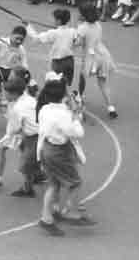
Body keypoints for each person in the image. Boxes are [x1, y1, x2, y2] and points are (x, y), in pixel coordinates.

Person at [36, 76, 96, 236]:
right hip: (58, 152)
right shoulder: (63, 114)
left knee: (54, 184)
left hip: (46, 149)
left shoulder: (44, 110)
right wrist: (76, 115)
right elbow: (77, 133)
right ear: (63, 95)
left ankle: (46, 218)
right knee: (75, 183)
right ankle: (69, 211)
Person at [0, 75, 40, 197]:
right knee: (7, 151)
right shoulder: (28, 99)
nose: (4, 95)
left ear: (14, 94)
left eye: (6, 93)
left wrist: (9, 137)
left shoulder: (18, 108)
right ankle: (31, 180)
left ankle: (28, 188)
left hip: (31, 136)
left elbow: (13, 129)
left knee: (25, 163)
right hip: (32, 132)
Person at [75, 3, 117, 118]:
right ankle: (111, 107)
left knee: (82, 77)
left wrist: (75, 34)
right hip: (103, 54)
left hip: (91, 56)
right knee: (103, 83)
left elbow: (77, 43)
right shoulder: (98, 24)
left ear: (83, 14)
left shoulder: (82, 27)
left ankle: (80, 96)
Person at [0, 26, 28, 126]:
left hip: (9, 72)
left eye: (21, 40)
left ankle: (8, 111)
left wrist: (24, 72)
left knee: (12, 94)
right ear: (11, 35)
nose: (18, 41)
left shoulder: (21, 49)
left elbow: (24, 63)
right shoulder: (0, 42)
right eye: (17, 38)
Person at [25, 8, 77, 86]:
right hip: (70, 61)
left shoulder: (53, 33)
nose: (53, 21)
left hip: (58, 62)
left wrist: (27, 26)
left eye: (55, 19)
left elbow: (37, 37)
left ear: (59, 21)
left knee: (54, 84)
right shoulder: (73, 31)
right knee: (66, 84)